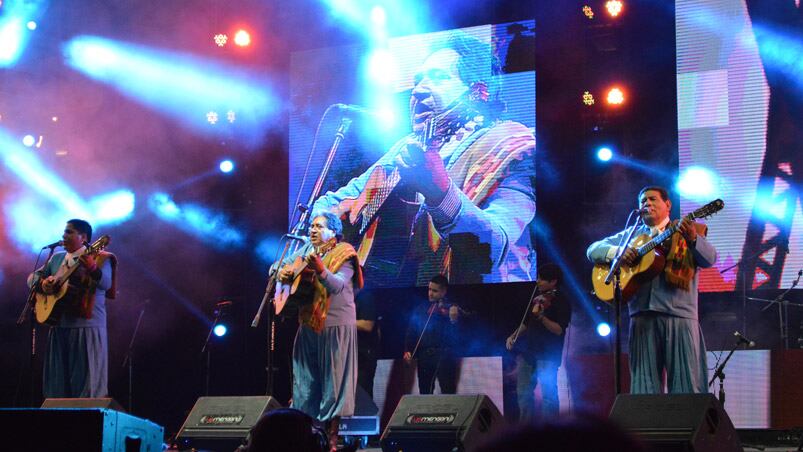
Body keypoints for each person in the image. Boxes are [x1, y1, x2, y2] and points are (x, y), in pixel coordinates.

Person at [312, 31, 536, 286]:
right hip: (404, 302)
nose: (418, 90)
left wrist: (440, 193)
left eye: (438, 77)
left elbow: (493, 249)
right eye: (417, 81)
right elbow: (332, 202)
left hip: (485, 306)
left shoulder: (512, 144)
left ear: (477, 92)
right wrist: (324, 233)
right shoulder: (404, 148)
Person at [586, 186, 717, 394]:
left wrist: (693, 239)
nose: (646, 203)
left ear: (668, 205)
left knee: (686, 386)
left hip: (679, 317)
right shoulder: (632, 235)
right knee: (643, 389)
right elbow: (592, 250)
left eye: (652, 199)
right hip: (642, 318)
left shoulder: (686, 230)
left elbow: (710, 259)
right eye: (642, 201)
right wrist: (617, 251)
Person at [278, 212, 363, 451]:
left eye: (319, 226)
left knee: (333, 383)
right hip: (308, 324)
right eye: (312, 226)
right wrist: (281, 273)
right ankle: (305, 435)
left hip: (335, 326)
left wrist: (321, 270)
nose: (312, 230)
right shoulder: (305, 249)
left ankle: (331, 439)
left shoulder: (345, 252)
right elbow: (276, 266)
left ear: (333, 232)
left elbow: (337, 285)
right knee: (305, 381)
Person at [28, 219, 117, 398]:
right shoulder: (57, 258)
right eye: (64, 232)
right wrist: (43, 283)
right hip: (59, 326)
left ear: (83, 237)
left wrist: (92, 268)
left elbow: (106, 284)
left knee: (86, 385)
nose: (63, 236)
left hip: (86, 327)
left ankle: (86, 422)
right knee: (56, 386)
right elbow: (31, 277)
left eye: (69, 232)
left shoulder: (100, 257)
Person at [505, 263, 571, 422]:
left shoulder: (561, 300)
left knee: (549, 395)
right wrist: (513, 336)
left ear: (553, 281)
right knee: (523, 393)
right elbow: (526, 323)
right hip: (529, 353)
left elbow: (559, 330)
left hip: (548, 355)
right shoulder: (537, 299)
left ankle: (551, 431)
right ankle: (526, 431)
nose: (538, 282)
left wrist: (542, 317)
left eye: (541, 279)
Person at [403, 274, 461, 394]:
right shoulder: (421, 309)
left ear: (444, 291)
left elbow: (458, 334)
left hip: (445, 355)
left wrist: (453, 319)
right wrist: (408, 350)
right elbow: (412, 331)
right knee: (425, 391)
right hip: (425, 356)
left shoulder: (450, 308)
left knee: (448, 390)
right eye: (429, 289)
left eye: (435, 291)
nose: (430, 293)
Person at [355, 289, 379, 400]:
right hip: (352, 354)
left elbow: (368, 324)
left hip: (364, 355)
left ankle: (365, 417)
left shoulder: (365, 297)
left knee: (363, 391)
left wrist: (343, 321)